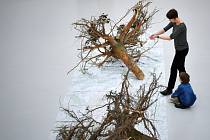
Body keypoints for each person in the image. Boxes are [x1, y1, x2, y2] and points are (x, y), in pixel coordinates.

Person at [149, 9, 189, 95]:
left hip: (182, 51)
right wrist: (155, 34)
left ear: (174, 18)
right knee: (181, 68)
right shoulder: (174, 22)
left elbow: (170, 38)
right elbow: (165, 29)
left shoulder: (181, 27)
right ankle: (186, 86)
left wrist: (158, 37)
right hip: (179, 50)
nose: (169, 21)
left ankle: (169, 89)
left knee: (174, 68)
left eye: (170, 19)